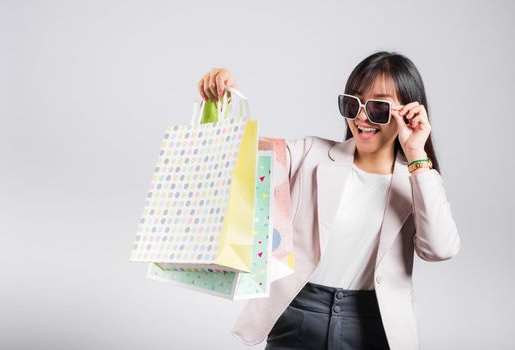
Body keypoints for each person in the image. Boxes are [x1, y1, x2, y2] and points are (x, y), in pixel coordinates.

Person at [197, 51, 461, 350]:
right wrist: (221, 105)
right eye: (353, 103)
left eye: (378, 107)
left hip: (374, 326)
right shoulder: (309, 155)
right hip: (297, 315)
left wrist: (416, 153)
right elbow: (233, 162)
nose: (362, 117)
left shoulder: (418, 181)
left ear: (410, 113)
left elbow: (440, 249)